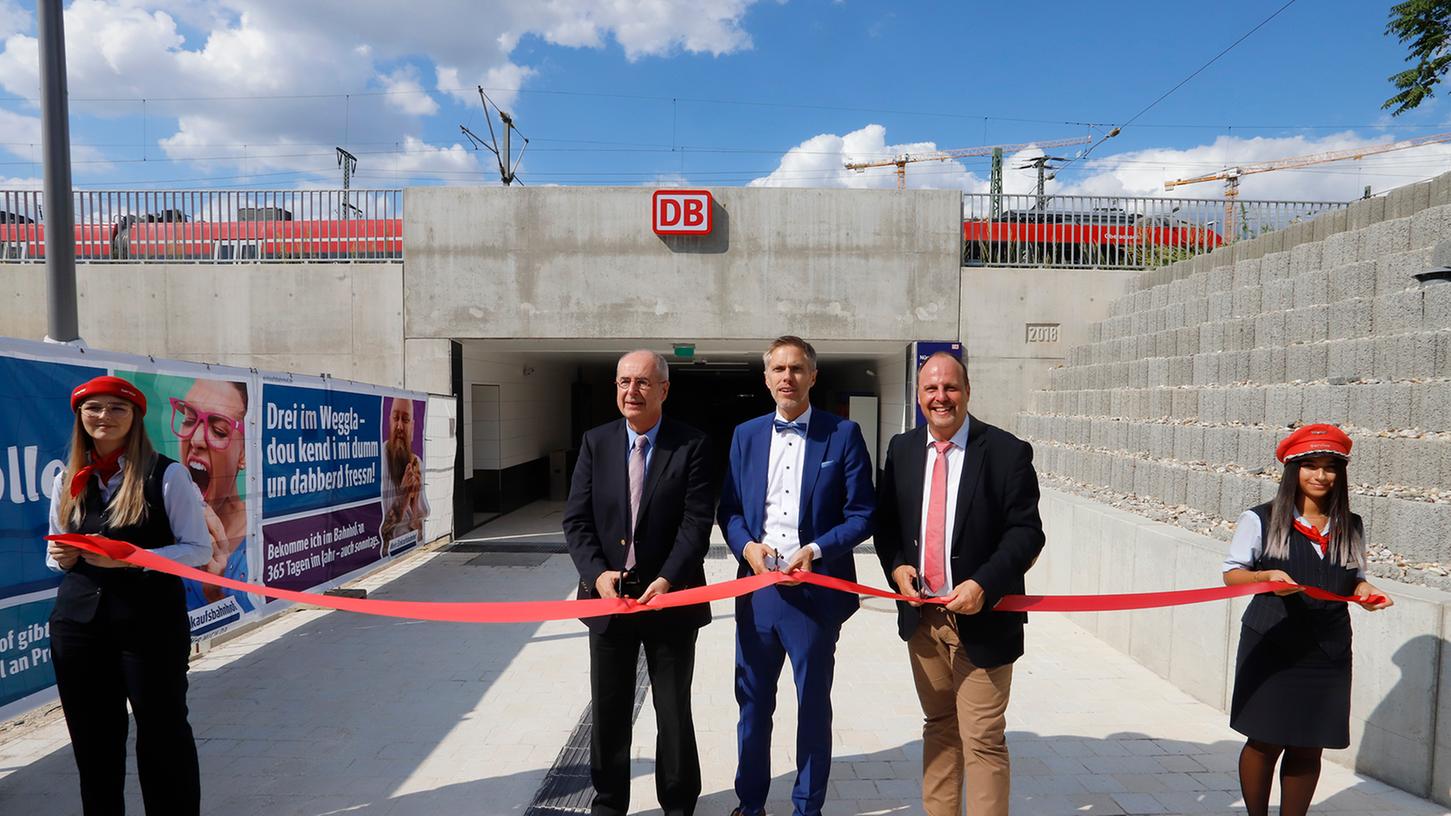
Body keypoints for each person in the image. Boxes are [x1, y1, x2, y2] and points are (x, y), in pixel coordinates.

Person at [874, 352, 1044, 816]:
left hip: (984, 620)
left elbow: (1027, 532)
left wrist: (983, 585)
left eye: (950, 387)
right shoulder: (902, 449)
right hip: (923, 621)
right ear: (918, 395)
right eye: (931, 389)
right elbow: (886, 524)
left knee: (983, 739)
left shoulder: (1007, 452)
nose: (940, 397)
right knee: (939, 727)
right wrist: (896, 568)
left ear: (967, 391)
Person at [716, 335, 874, 816]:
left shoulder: (841, 434)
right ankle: (750, 804)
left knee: (812, 708)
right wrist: (746, 546)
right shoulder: (745, 434)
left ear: (813, 376)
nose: (788, 377)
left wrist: (816, 549)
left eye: (797, 369)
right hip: (759, 592)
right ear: (766, 379)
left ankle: (807, 807)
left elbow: (862, 513)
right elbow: (731, 509)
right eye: (779, 369)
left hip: (815, 594)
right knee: (753, 704)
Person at [44, 375, 212, 815]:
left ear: (135, 418)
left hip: (149, 625)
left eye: (117, 408)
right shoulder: (69, 479)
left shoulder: (166, 473)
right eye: (94, 408)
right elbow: (56, 552)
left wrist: (135, 558)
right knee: (93, 744)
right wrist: (61, 556)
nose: (105, 417)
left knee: (163, 735)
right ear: (80, 417)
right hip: (78, 627)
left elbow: (198, 549)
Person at [562, 350, 713, 816]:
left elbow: (696, 524)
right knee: (608, 710)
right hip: (609, 600)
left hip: (669, 600)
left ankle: (679, 801)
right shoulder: (596, 442)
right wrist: (596, 573)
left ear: (664, 389)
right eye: (624, 381)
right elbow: (577, 520)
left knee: (671, 709)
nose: (632, 390)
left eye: (643, 382)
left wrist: (669, 577)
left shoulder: (692, 445)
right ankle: (608, 800)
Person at [1222, 423, 1393, 816]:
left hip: (1328, 650)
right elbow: (1232, 574)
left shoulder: (1352, 524)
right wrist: (1265, 577)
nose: (1320, 475)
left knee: (1308, 743)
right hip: (1273, 643)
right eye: (1310, 465)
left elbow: (1356, 577)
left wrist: (1366, 592)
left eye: (1330, 466)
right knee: (1265, 740)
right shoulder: (1260, 519)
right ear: (1292, 469)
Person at [172, 379, 253, 612]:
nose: (196, 441)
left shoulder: (264, 536)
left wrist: (213, 593)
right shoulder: (162, 524)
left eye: (218, 430)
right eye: (188, 418)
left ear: (245, 452)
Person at [380, 396, 429, 553]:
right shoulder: (381, 459)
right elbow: (381, 536)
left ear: (413, 427)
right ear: (389, 421)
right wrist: (402, 499)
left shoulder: (417, 463)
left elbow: (420, 531)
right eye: (396, 418)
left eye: (405, 420)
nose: (399, 426)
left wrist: (414, 502)